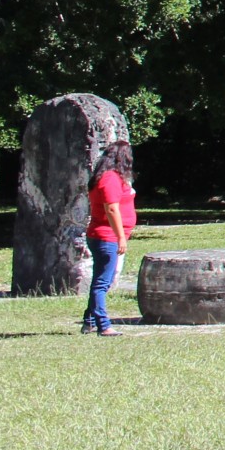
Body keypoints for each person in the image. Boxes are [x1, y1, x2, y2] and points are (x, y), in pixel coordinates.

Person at [81, 140, 136, 336]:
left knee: (102, 279)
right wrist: (120, 237)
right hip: (107, 237)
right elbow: (111, 208)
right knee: (103, 282)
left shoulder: (105, 177)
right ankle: (103, 325)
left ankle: (89, 321)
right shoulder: (110, 178)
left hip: (105, 236)